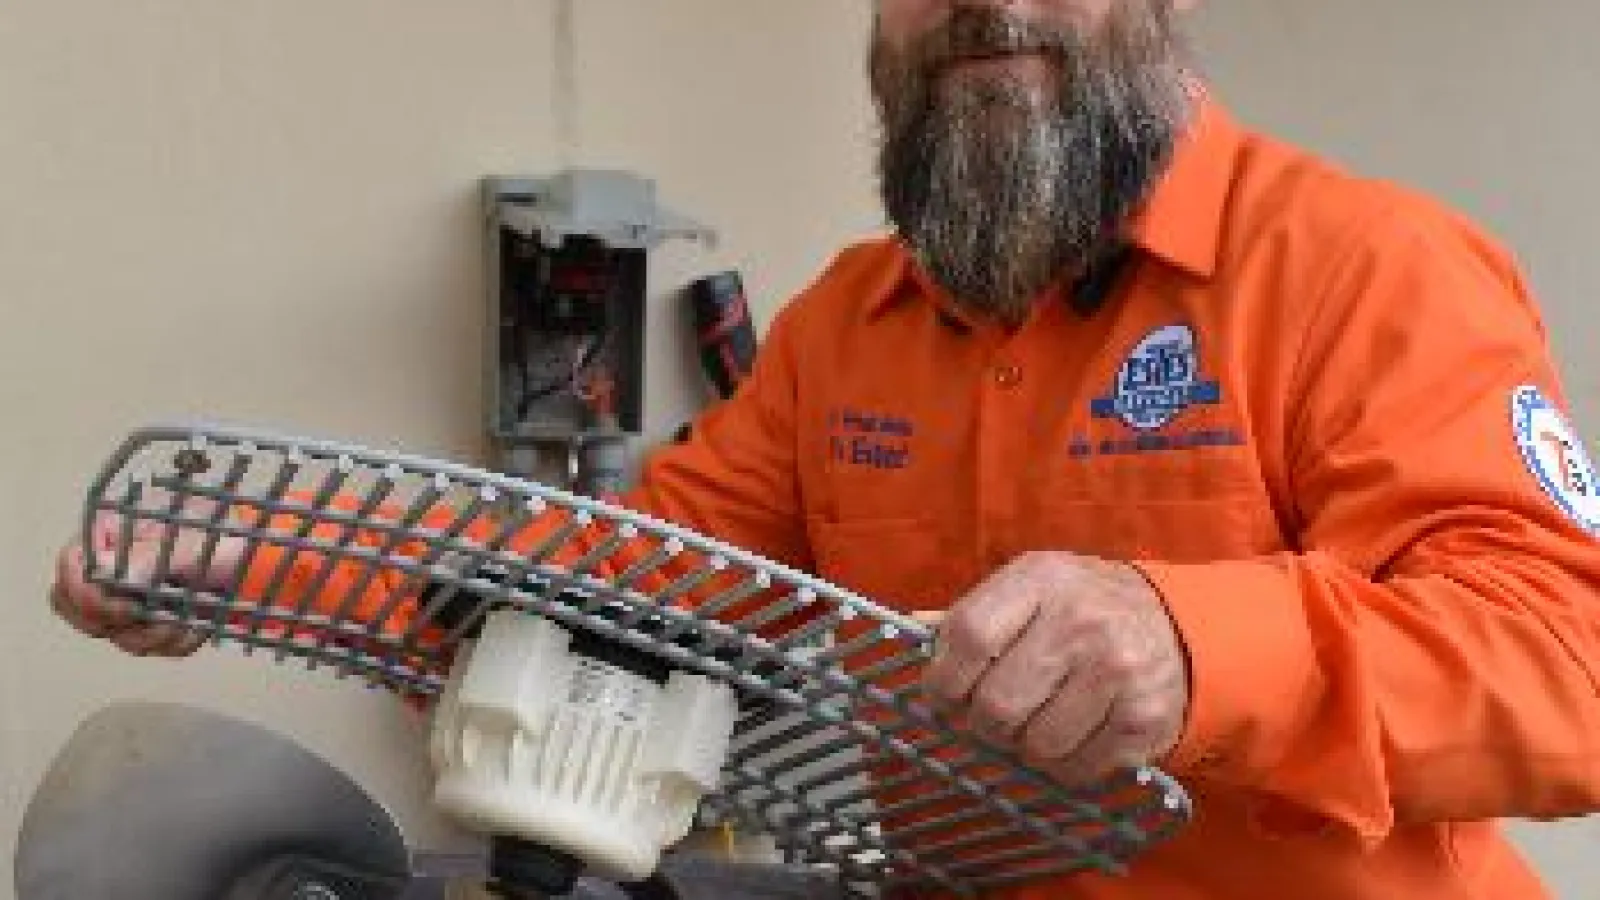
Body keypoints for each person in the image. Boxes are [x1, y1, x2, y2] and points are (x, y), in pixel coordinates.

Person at [48, 0, 1600, 897]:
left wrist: (1196, 648)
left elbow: (1568, 661)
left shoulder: (1367, 268)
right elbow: (623, 583)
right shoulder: (846, 329)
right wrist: (274, 568)